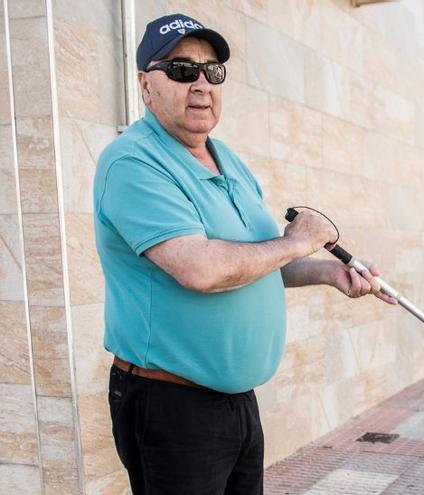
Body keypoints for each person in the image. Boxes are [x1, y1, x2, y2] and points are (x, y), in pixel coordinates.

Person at [93, 13, 396, 494]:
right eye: (181, 70)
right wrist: (296, 241)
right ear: (145, 86)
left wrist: (324, 272)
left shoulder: (225, 157)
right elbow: (200, 268)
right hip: (171, 406)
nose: (200, 84)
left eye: (212, 72)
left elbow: (257, 261)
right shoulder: (133, 162)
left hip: (236, 403)